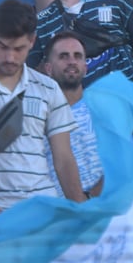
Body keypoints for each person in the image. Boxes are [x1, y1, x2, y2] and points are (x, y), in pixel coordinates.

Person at [0, 0, 84, 224]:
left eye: (18, 49)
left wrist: (80, 213)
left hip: (45, 208)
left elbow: (64, 158)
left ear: (32, 42)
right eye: (3, 46)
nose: (10, 57)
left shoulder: (48, 88)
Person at [38, 32, 104, 199]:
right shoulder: (36, 116)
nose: (72, 61)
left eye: (77, 56)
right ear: (48, 68)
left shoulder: (105, 110)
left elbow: (123, 162)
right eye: (63, 56)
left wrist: (88, 198)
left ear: (85, 66)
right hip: (56, 215)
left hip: (106, 209)